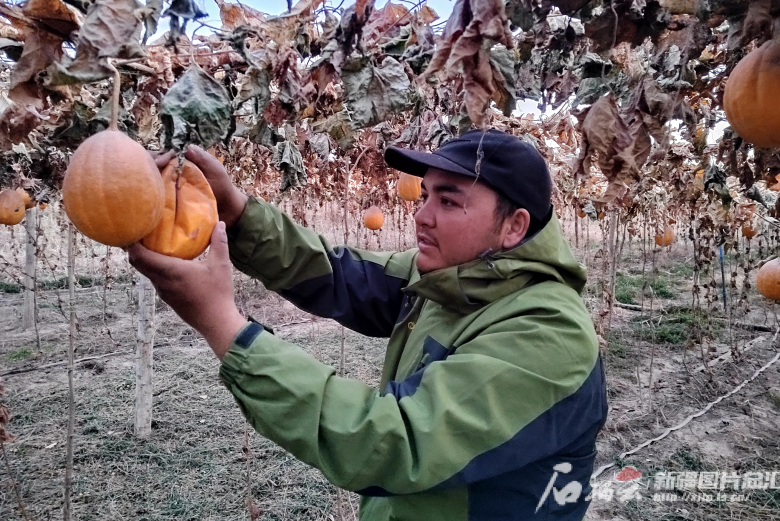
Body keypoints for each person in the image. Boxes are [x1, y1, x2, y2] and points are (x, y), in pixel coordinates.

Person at [128, 128, 608, 521]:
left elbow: (394, 441)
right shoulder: (448, 280)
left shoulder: (548, 332)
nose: (422, 216)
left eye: (449, 201)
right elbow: (339, 276)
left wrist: (221, 324)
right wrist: (237, 211)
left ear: (514, 227)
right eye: (425, 196)